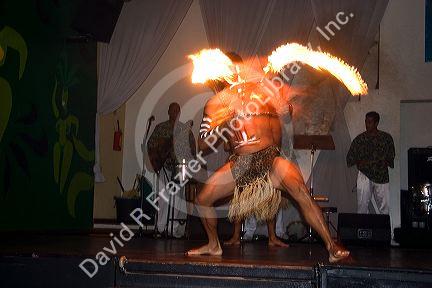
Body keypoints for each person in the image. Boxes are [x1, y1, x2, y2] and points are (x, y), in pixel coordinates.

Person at [186, 53, 349, 263]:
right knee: (202, 199)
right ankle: (213, 244)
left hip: (269, 159)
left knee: (300, 190)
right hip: (240, 164)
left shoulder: (263, 90)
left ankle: (331, 245)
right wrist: (218, 127)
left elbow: (286, 110)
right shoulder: (216, 103)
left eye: (239, 67)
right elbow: (202, 143)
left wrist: (285, 107)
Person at [147, 102, 196, 237]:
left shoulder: (184, 129)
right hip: (164, 167)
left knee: (177, 199)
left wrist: (189, 165)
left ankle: (172, 229)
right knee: (163, 197)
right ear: (168, 112)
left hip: (180, 169)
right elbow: (150, 145)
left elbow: (192, 149)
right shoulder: (160, 128)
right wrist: (156, 162)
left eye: (177, 111)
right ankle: (161, 228)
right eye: (173, 110)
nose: (175, 113)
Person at [347, 111, 395, 214]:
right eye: (366, 121)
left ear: (376, 123)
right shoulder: (360, 139)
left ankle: (384, 229)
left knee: (385, 207)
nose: (367, 124)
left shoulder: (386, 138)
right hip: (365, 175)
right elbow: (350, 158)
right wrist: (360, 162)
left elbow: (391, 157)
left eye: (370, 122)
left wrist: (380, 162)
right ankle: (362, 229)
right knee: (362, 206)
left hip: (381, 176)